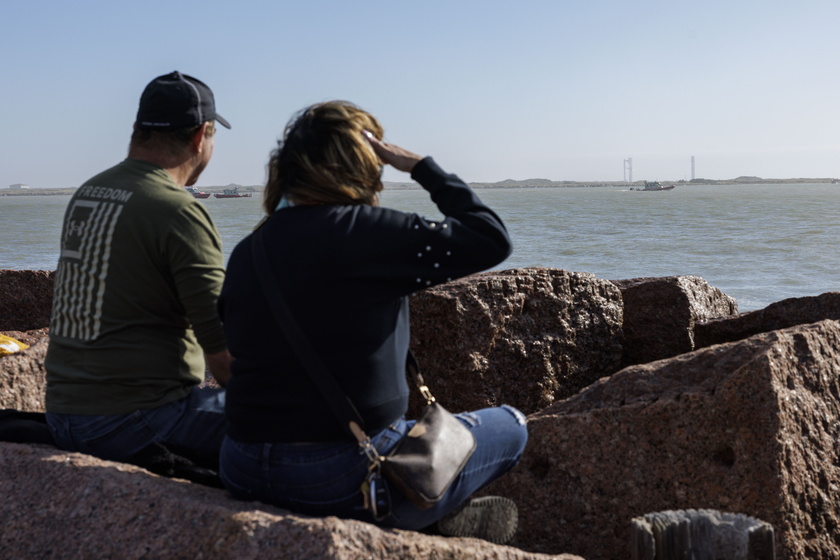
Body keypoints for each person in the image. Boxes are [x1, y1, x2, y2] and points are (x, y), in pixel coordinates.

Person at [217, 101, 528, 543]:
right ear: (364, 163)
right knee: (512, 425)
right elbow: (490, 239)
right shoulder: (366, 232)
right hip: (337, 475)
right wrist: (420, 166)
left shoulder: (251, 250)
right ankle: (432, 515)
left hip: (241, 465)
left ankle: (433, 515)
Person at [45, 71, 233, 470]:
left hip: (64, 413)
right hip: (137, 420)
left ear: (137, 129)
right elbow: (224, 359)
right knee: (305, 427)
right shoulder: (179, 210)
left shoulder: (89, 193)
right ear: (201, 137)